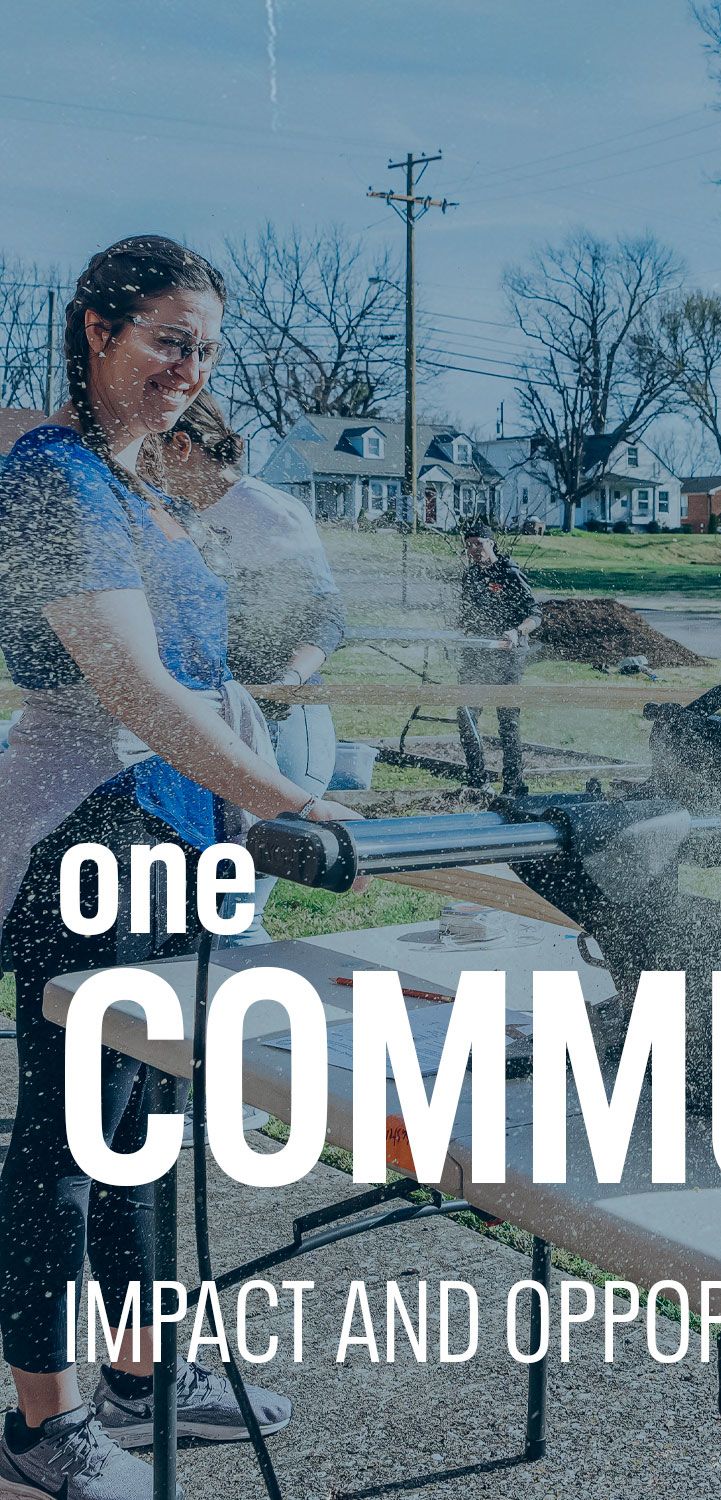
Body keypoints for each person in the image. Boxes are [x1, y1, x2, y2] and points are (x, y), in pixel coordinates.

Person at [0, 236, 357, 1499]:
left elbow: (211, 666)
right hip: (86, 825)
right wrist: (283, 802)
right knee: (66, 1135)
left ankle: (145, 1377)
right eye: (165, 341)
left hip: (179, 833)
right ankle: (41, 1423)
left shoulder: (146, 486)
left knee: (151, 1124)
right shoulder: (54, 477)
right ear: (95, 331)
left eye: (202, 349)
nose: (187, 372)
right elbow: (128, 679)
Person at [160, 391, 346, 943]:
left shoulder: (266, 511)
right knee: (198, 911)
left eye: (151, 450)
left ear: (183, 448)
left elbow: (327, 617)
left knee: (233, 913)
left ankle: (247, 1023)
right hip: (219, 717)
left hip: (281, 720)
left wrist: (282, 684)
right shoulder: (177, 510)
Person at [455, 520, 541, 794]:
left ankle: (513, 785)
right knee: (467, 714)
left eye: (478, 543)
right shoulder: (470, 576)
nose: (473, 549)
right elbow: (466, 615)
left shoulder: (509, 572)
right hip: (478, 653)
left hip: (509, 653)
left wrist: (517, 631)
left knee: (508, 719)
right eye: (468, 545)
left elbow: (535, 615)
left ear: (490, 543)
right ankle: (477, 781)